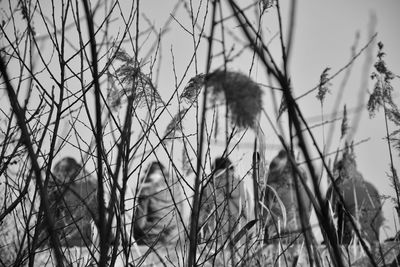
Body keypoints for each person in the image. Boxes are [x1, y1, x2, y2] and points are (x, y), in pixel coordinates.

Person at [327, 145, 383, 246]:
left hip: (350, 246)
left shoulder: (338, 187)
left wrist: (331, 184)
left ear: (341, 171)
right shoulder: (372, 187)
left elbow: (329, 216)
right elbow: (379, 219)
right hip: (373, 245)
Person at [199, 157, 249, 246]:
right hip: (239, 241)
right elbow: (250, 212)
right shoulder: (241, 185)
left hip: (213, 243)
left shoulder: (208, 187)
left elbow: (200, 216)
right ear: (231, 168)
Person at [263, 149, 311, 245]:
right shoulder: (306, 191)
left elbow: (263, 217)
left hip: (277, 243)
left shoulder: (272, 189)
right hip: (302, 242)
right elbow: (307, 215)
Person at [133, 161, 185, 247]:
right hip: (174, 239)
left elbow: (139, 224)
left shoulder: (146, 187)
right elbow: (181, 215)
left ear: (148, 173)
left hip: (151, 240)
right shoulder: (176, 187)